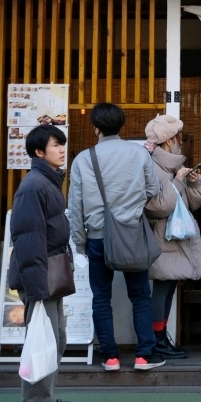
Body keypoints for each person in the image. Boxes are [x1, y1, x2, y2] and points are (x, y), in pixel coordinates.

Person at [68, 103, 164, 371]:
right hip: (132, 234)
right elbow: (153, 189)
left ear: (96, 128)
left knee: (101, 297)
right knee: (140, 296)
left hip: (97, 237)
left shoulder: (83, 159)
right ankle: (144, 356)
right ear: (121, 125)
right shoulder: (138, 153)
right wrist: (131, 205)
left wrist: (79, 242)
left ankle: (110, 357)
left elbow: (76, 206)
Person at [9, 125, 74, 402]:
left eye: (62, 144)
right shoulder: (34, 186)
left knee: (55, 338)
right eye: (55, 145)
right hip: (40, 278)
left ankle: (44, 401)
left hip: (49, 273)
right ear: (39, 152)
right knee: (42, 343)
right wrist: (36, 288)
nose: (62, 149)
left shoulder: (46, 181)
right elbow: (28, 240)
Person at [142, 114, 201, 360]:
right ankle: (156, 340)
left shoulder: (170, 167)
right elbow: (157, 206)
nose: (181, 141)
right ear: (170, 140)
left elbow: (195, 202)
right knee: (162, 288)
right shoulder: (152, 167)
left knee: (168, 286)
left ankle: (160, 339)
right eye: (179, 136)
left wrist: (195, 181)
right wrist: (178, 182)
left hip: (173, 237)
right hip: (161, 237)